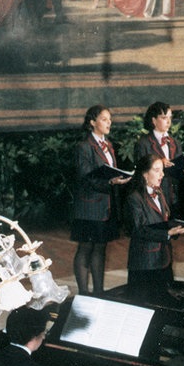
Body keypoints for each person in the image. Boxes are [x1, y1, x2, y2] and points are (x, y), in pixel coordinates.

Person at [71, 105, 130, 296]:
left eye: (109, 119)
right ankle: (83, 292)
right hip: (89, 206)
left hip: (107, 205)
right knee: (86, 247)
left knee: (101, 247)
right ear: (92, 122)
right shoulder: (84, 146)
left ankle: (98, 291)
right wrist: (110, 182)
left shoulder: (109, 145)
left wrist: (118, 180)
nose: (109, 123)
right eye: (104, 119)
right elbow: (85, 177)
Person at [124, 154, 184, 305]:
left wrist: (176, 228)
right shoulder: (134, 198)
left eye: (162, 170)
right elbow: (139, 230)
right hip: (144, 262)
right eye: (157, 170)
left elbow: (162, 221)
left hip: (162, 258)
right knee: (144, 304)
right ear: (144, 174)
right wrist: (167, 233)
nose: (162, 174)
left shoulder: (159, 192)